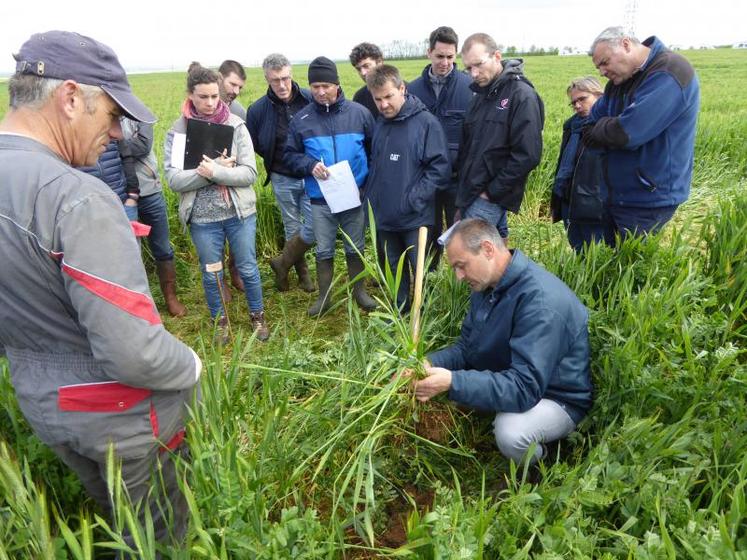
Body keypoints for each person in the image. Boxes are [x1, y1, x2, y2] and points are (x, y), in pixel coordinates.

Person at [0, 30, 201, 545]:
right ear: (70, 98)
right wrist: (193, 366)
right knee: (157, 536)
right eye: (111, 116)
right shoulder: (76, 197)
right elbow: (136, 354)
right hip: (118, 416)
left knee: (116, 515)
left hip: (42, 401)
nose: (115, 134)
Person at [411, 219, 592, 464]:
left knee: (510, 431)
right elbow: (467, 348)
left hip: (555, 396)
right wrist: (427, 363)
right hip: (514, 377)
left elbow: (525, 388)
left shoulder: (539, 301)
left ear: (487, 249)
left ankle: (540, 466)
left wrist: (453, 381)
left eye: (461, 266)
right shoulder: (486, 287)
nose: (458, 277)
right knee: (456, 393)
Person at [164, 62, 269, 342]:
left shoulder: (236, 126)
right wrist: (209, 175)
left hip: (239, 213)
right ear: (190, 95)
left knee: (247, 266)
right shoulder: (178, 132)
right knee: (212, 272)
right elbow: (174, 179)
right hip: (202, 219)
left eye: (214, 96)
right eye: (203, 97)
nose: (210, 103)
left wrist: (218, 171)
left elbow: (249, 173)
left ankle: (257, 315)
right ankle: (220, 320)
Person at [582, 26, 700, 243]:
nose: (602, 72)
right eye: (598, 67)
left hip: (648, 199)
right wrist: (610, 126)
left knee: (632, 269)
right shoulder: (618, 83)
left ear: (626, 45)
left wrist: (609, 127)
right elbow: (588, 126)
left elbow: (628, 133)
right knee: (610, 266)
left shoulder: (670, 71)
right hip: (616, 195)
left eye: (605, 62)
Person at [284, 56, 377, 316]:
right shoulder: (301, 120)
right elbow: (289, 156)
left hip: (354, 196)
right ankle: (324, 297)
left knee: (355, 245)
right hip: (320, 199)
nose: (321, 91)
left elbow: (374, 152)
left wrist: (365, 185)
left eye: (326, 85)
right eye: (315, 86)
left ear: (337, 84)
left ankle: (359, 292)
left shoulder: (360, 114)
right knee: (324, 249)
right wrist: (309, 165)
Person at [364, 64, 450, 311]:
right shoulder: (381, 123)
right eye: (377, 99)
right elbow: (376, 164)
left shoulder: (426, 123)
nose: (383, 105)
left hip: (416, 219)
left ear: (402, 88)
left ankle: (427, 319)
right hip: (385, 218)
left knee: (424, 273)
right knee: (393, 270)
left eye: (389, 96)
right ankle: (399, 314)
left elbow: (439, 169)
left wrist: (413, 199)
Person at [456, 33, 545, 241]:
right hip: (472, 192)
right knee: (495, 254)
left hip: (489, 196)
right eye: (468, 68)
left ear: (497, 56)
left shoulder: (521, 95)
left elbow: (528, 154)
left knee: (472, 257)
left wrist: (492, 192)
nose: (474, 73)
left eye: (478, 64)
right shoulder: (480, 96)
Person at [247, 53, 315, 293]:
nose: (282, 85)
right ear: (266, 78)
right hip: (281, 177)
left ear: (292, 73)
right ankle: (303, 274)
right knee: (292, 226)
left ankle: (281, 263)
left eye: (285, 78)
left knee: (315, 224)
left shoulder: (309, 99)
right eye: (275, 80)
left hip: (311, 174)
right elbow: (255, 142)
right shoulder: (257, 110)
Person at [407, 26, 473, 266]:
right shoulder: (412, 91)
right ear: (429, 53)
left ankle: (464, 284)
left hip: (458, 179)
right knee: (428, 233)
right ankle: (429, 282)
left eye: (450, 57)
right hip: (426, 178)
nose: (445, 62)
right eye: (439, 56)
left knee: (462, 234)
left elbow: (474, 137)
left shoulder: (469, 88)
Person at [120, 117, 189, 316]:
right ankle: (140, 304)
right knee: (130, 251)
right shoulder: (102, 112)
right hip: (119, 192)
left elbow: (143, 145)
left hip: (149, 189)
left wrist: (114, 143)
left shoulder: (139, 113)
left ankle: (170, 297)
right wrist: (126, 143)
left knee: (162, 246)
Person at [549, 77, 605, 252]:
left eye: (582, 99)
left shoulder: (608, 126)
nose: (578, 106)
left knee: (596, 255)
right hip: (568, 199)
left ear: (599, 95)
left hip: (595, 205)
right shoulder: (571, 127)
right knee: (578, 251)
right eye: (573, 103)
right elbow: (564, 165)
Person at [349, 42, 384, 116]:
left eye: (366, 66)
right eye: (358, 69)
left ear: (380, 62)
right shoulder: (359, 98)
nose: (363, 73)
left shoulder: (405, 90)